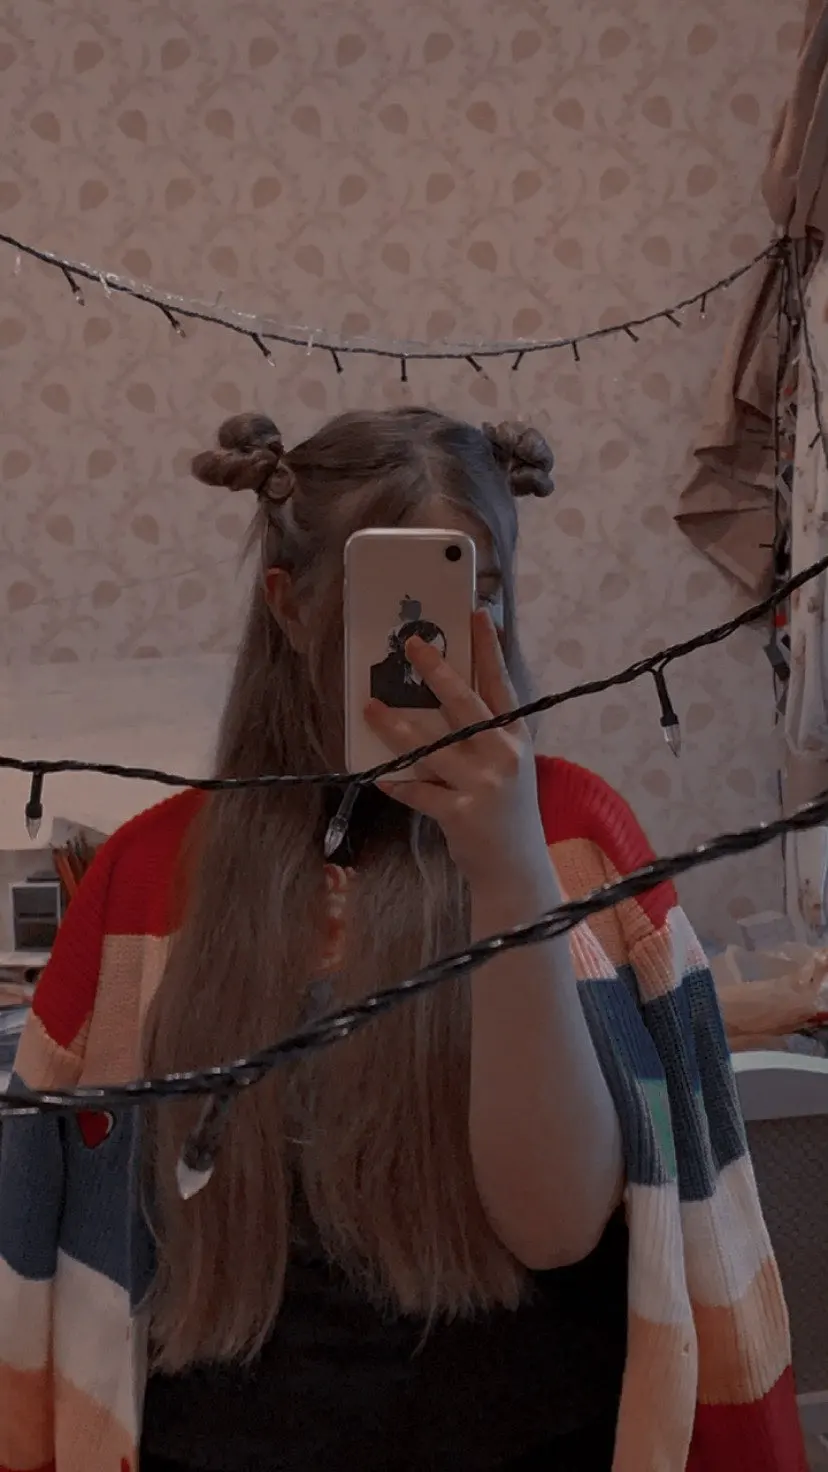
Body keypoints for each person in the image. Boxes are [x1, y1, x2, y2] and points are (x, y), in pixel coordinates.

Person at [0, 408, 806, 1472]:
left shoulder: (573, 844)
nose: (431, 643)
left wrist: (507, 866)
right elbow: (49, 1247)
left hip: (525, 1435)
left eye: (479, 595)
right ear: (290, 605)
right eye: (390, 606)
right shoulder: (150, 876)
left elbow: (558, 1227)